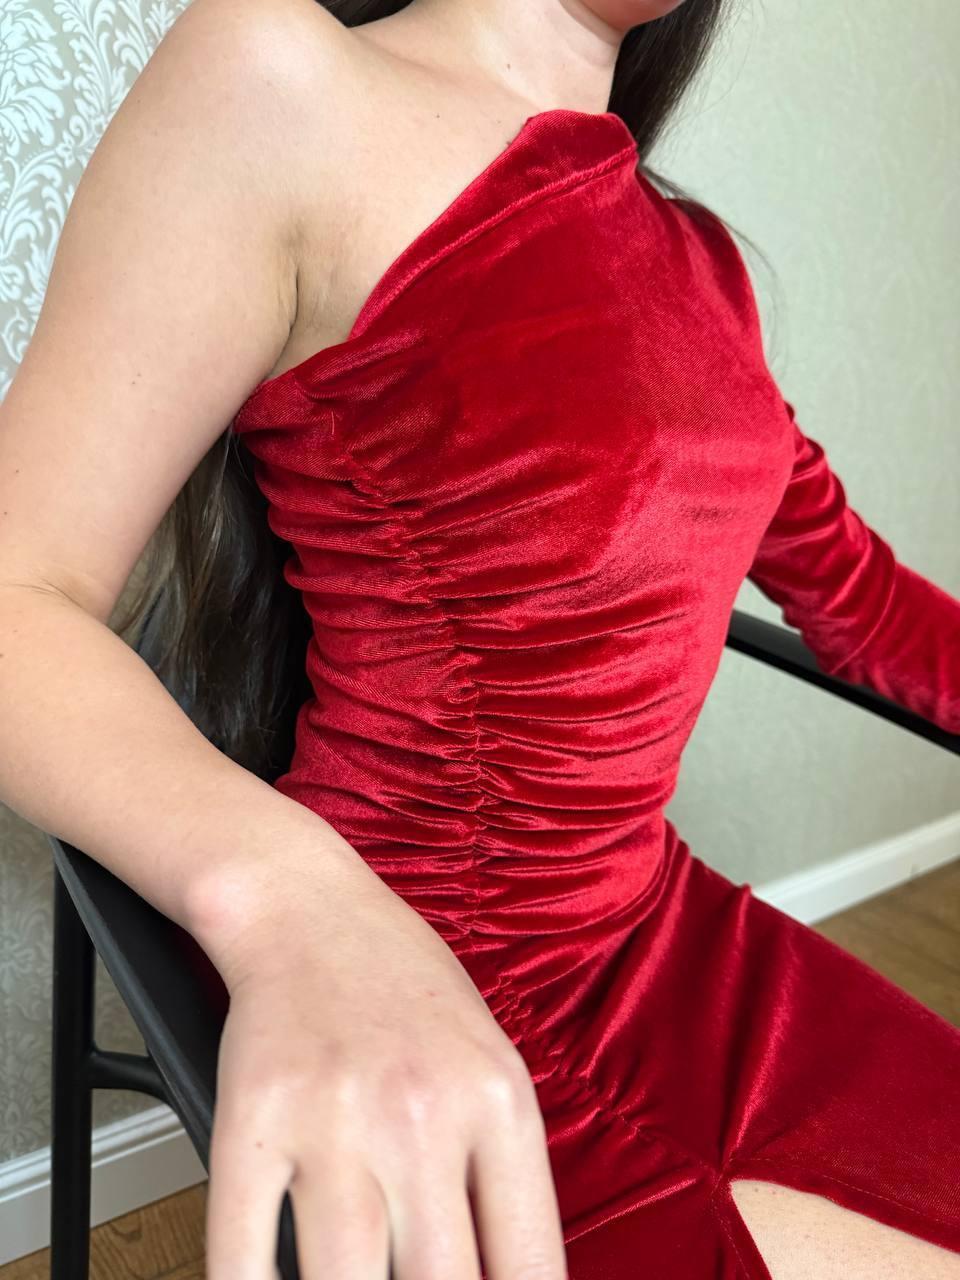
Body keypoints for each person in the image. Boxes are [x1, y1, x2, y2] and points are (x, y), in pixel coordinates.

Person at [0, 0, 958, 1276]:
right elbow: (19, 593)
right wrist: (292, 898)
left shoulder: (702, 263)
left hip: (670, 939)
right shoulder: (280, 74)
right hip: (408, 956)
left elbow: (868, 602)